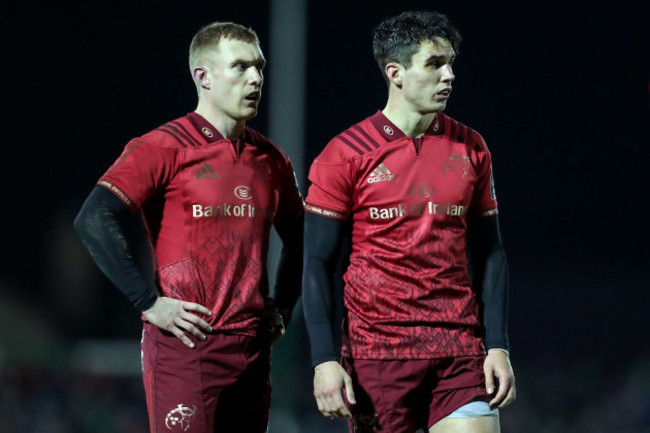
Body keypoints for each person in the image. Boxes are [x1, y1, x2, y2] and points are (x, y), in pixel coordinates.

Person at [74, 21, 303, 433]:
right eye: (240, 67)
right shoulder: (162, 147)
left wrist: (283, 306)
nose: (255, 78)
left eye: (260, 67)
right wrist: (149, 302)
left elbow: (301, 237)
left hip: (253, 351)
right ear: (204, 76)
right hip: (186, 347)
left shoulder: (272, 160)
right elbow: (94, 218)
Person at [302, 10, 515, 433]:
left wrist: (498, 346)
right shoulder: (345, 154)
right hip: (377, 355)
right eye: (435, 64)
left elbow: (490, 252)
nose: (449, 75)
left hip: (458, 350)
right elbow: (318, 265)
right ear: (395, 72)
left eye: (451, 63)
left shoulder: (471, 147)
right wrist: (324, 360)